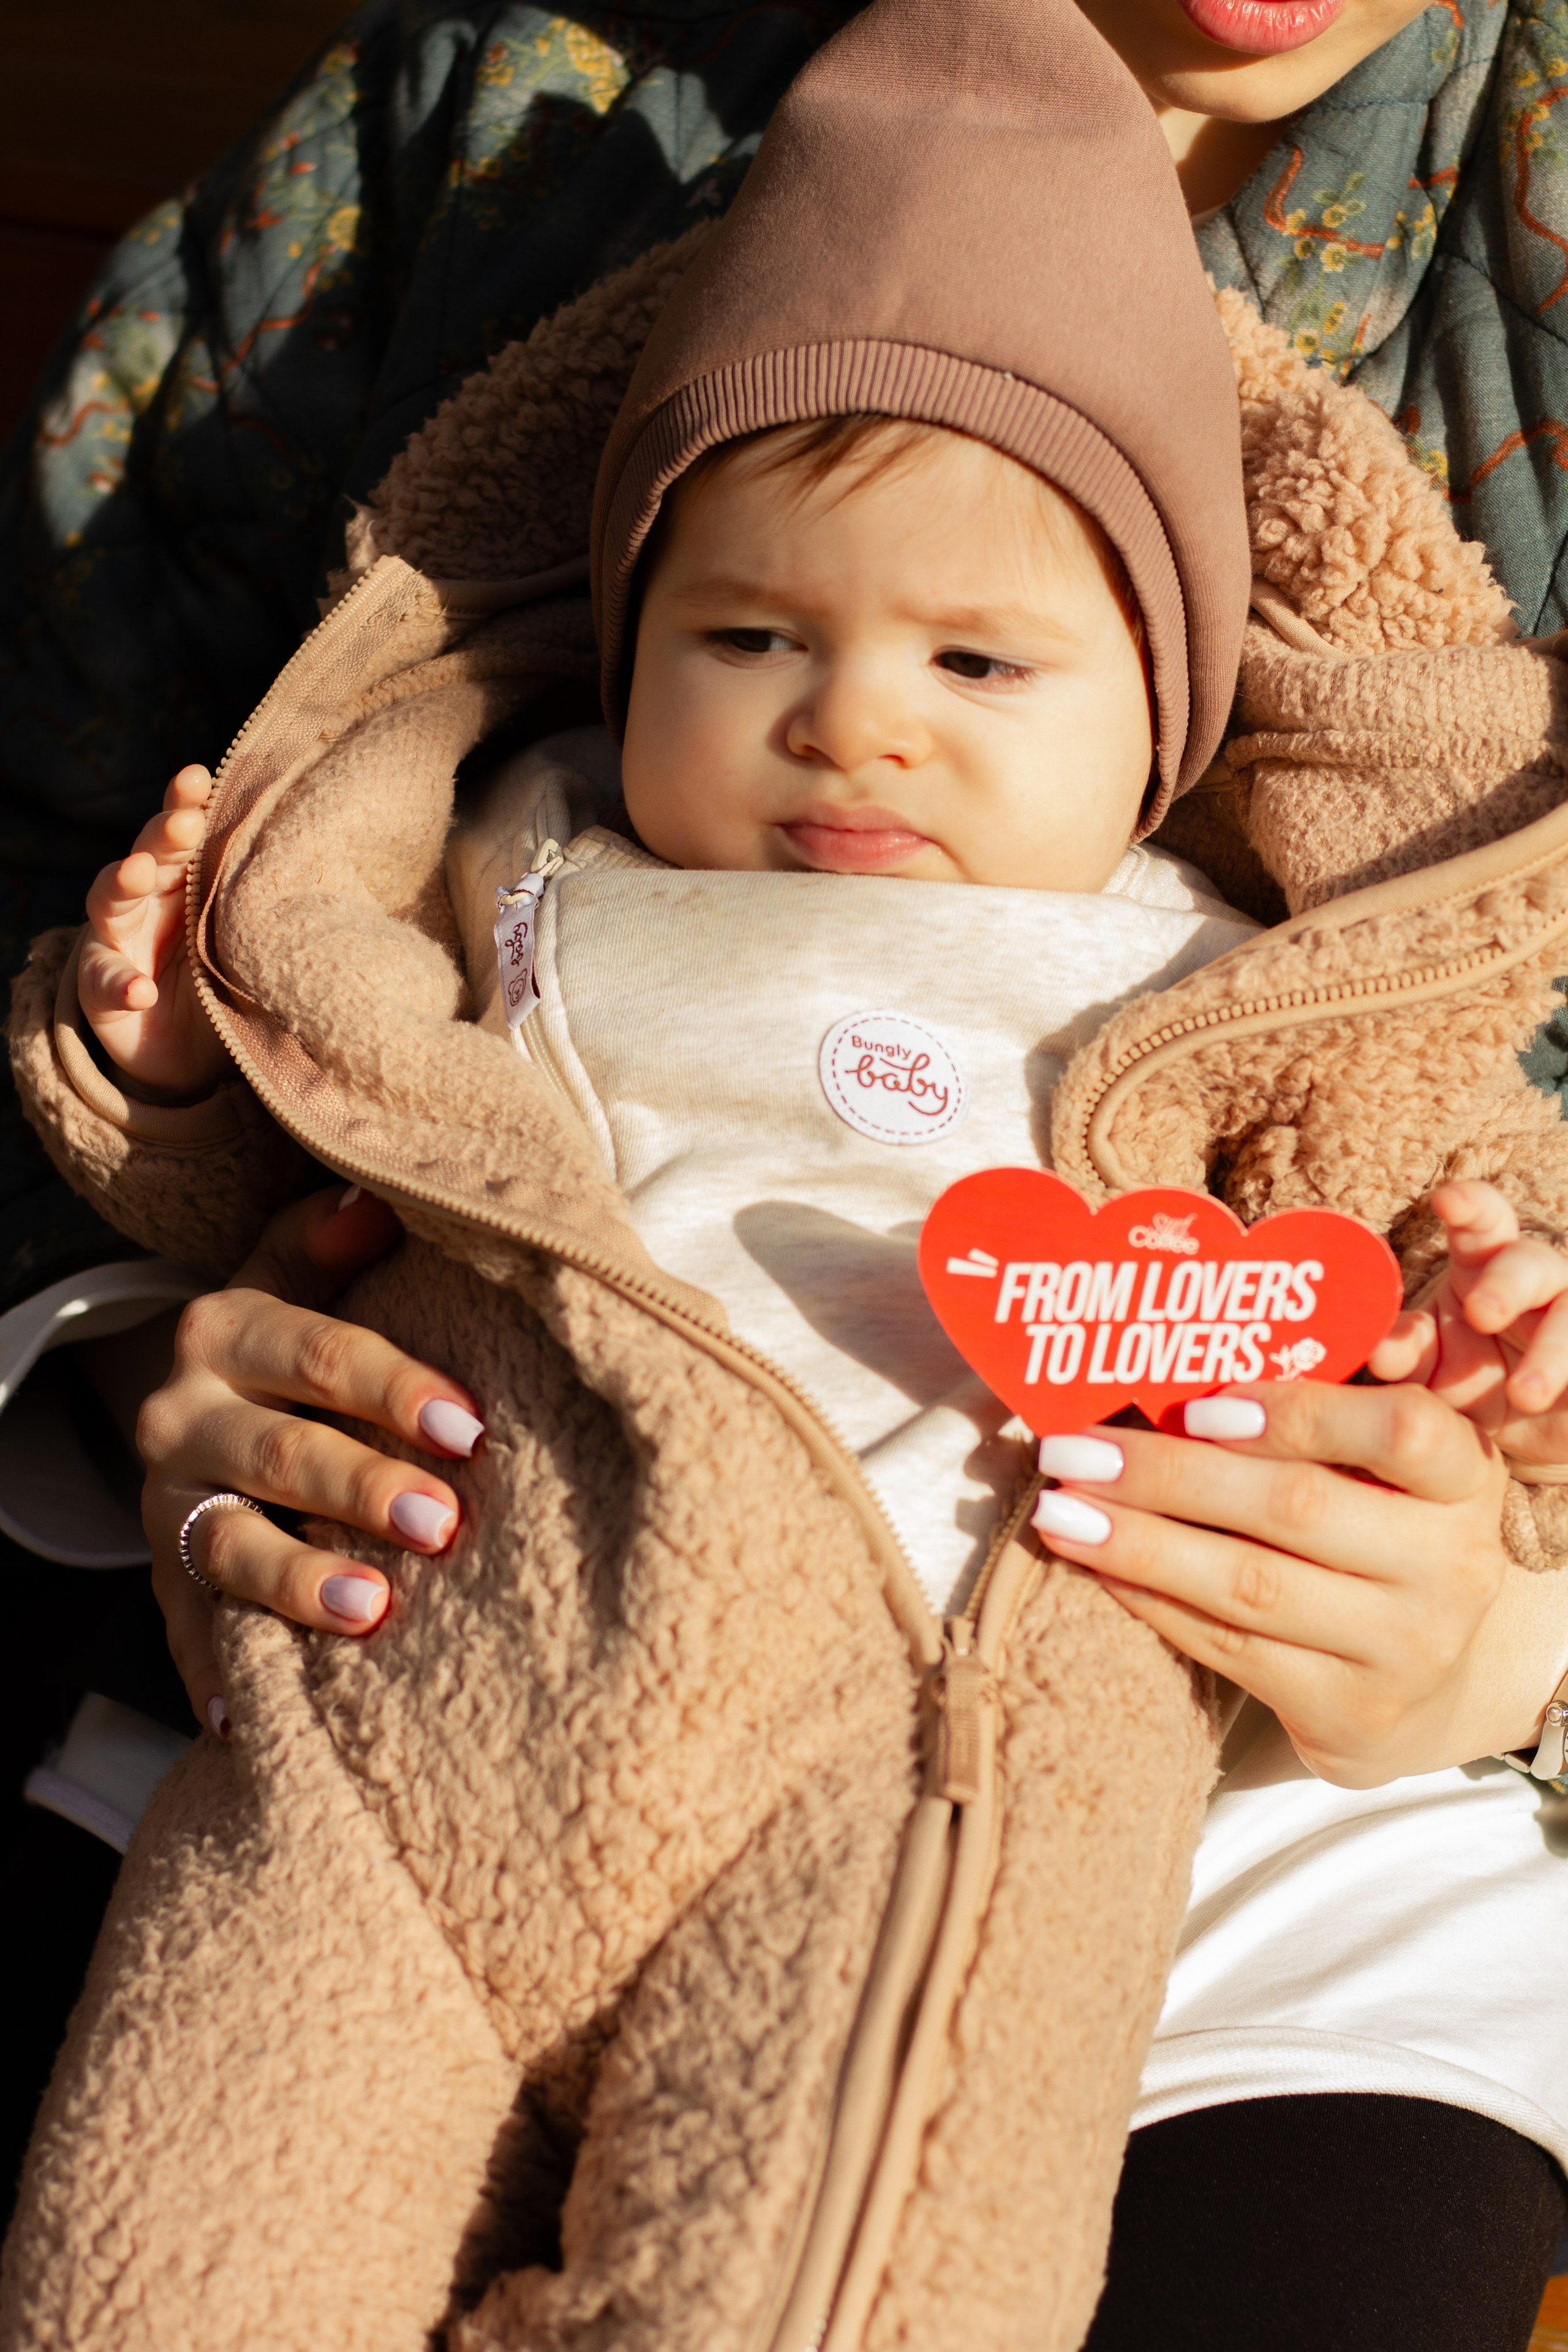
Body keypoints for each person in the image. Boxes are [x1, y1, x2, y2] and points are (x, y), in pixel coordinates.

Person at [6, 0, 1568, 2342]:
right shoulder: (518, 118)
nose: (853, 725)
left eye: (983, 666)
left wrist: (1505, 1618)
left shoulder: (1232, 958)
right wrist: (130, 1339)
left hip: (1147, 1802)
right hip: (399, 1663)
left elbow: (1467, 1187)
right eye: (748, 636)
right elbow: (159, 928)